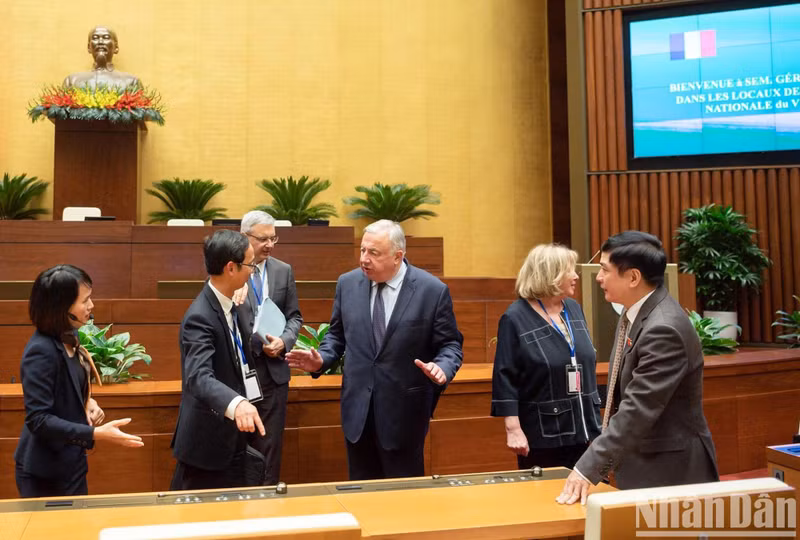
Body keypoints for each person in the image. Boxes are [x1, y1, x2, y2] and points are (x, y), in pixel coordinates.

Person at [286, 219, 463, 480]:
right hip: (358, 413)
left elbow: (450, 344)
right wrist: (321, 360)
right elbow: (336, 335)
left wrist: (443, 367)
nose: (364, 259)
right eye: (362, 250)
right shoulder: (348, 284)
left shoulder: (431, 291)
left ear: (398, 256)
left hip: (404, 415)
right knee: (362, 494)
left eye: (374, 253)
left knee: (404, 499)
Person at [557, 231, 719, 505]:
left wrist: (587, 468)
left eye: (604, 270)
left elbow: (638, 408)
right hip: (646, 466)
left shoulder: (663, 328)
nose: (597, 278)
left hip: (669, 473)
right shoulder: (638, 313)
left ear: (633, 277)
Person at [14, 265, 144, 498]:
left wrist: (87, 402)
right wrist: (96, 433)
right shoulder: (40, 351)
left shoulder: (69, 335)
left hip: (71, 463)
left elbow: (66, 388)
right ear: (62, 308)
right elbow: (39, 419)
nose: (91, 306)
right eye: (85, 300)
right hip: (44, 473)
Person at [170, 230, 267, 491]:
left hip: (233, 437)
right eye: (250, 265)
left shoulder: (231, 299)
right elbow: (198, 377)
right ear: (231, 267)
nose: (253, 272)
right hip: (207, 447)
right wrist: (237, 404)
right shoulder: (199, 317)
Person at [491, 244, 601, 470]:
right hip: (544, 434)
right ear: (550, 275)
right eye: (568, 270)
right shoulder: (515, 317)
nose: (575, 276)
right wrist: (513, 429)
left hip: (586, 429)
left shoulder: (573, 308)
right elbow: (505, 376)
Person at [236, 210, 303, 485]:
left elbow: (294, 317)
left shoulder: (282, 270)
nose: (269, 245)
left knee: (270, 448)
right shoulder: (231, 269)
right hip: (240, 375)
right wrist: (257, 344)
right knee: (239, 449)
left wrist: (283, 341)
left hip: (274, 377)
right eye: (262, 239)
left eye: (273, 238)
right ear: (245, 237)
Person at [63, 26, 140, 89]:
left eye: (106, 37)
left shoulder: (131, 82)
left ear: (116, 47)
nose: (100, 41)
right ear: (89, 47)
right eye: (95, 38)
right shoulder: (73, 81)